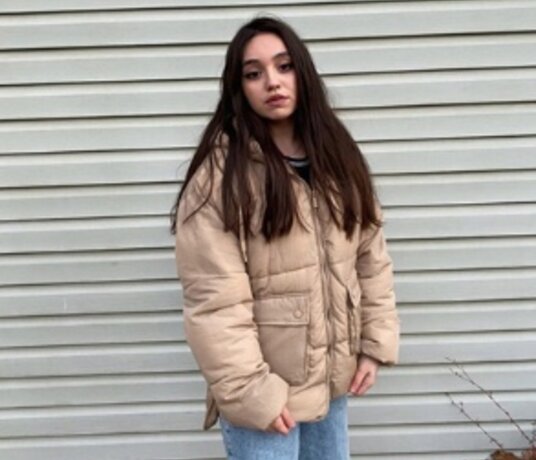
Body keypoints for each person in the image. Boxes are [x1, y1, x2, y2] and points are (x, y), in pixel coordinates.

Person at [171, 16, 400, 460]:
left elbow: (371, 259)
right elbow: (214, 302)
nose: (272, 82)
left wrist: (374, 346)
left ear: (303, 72)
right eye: (253, 73)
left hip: (331, 383)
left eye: (284, 66)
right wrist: (253, 392)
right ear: (239, 87)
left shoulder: (338, 159)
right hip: (264, 398)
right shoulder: (221, 177)